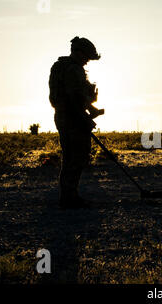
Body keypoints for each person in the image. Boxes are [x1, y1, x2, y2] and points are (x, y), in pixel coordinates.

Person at [49, 36, 104, 209]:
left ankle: (68, 196)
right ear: (78, 52)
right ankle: (69, 198)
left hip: (63, 116)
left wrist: (90, 108)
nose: (87, 61)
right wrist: (84, 117)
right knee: (78, 156)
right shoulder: (73, 70)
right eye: (87, 56)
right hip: (73, 117)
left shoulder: (60, 67)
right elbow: (74, 97)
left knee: (69, 157)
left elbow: (72, 95)